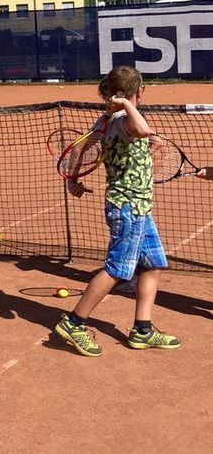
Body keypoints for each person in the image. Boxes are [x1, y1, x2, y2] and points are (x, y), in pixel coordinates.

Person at [55, 66, 180, 356]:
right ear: (139, 92)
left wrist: (73, 179)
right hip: (128, 207)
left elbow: (81, 148)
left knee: (154, 265)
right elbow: (141, 130)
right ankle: (74, 323)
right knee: (117, 270)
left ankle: (142, 330)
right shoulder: (123, 117)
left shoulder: (106, 119)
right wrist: (125, 104)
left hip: (139, 208)